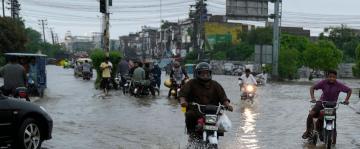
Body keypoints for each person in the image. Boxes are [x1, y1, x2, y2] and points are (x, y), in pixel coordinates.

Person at [179, 62, 233, 138]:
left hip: (212, 112)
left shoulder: (215, 84)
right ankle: (191, 133)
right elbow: (182, 94)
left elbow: (223, 98)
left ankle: (215, 135)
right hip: (196, 111)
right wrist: (183, 101)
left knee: (220, 123)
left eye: (207, 73)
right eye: (202, 73)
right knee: (189, 114)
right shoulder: (191, 83)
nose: (205, 75)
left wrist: (227, 105)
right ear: (197, 73)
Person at [302, 70, 352, 140]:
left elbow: (349, 90)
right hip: (321, 102)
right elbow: (312, 88)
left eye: (333, 77)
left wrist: (346, 100)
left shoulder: (339, 85)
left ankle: (332, 135)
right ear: (327, 77)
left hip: (332, 105)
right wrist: (313, 98)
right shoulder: (323, 82)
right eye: (330, 77)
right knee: (311, 114)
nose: (332, 78)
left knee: (327, 117)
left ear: (336, 77)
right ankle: (307, 131)